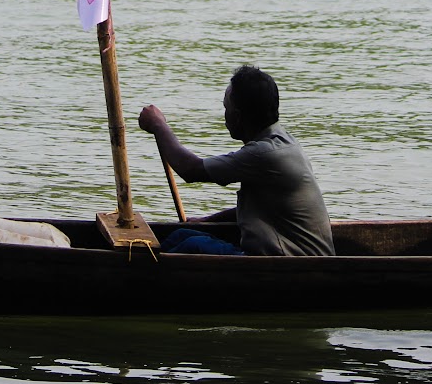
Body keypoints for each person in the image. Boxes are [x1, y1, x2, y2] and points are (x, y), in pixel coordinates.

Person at [137, 65, 334, 256]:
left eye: (226, 108)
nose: (224, 115)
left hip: (290, 264)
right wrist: (208, 220)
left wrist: (158, 125)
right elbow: (258, 208)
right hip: (280, 255)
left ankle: (144, 274)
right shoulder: (283, 142)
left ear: (238, 117)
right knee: (182, 235)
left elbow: (190, 169)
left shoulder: (264, 154)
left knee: (193, 245)